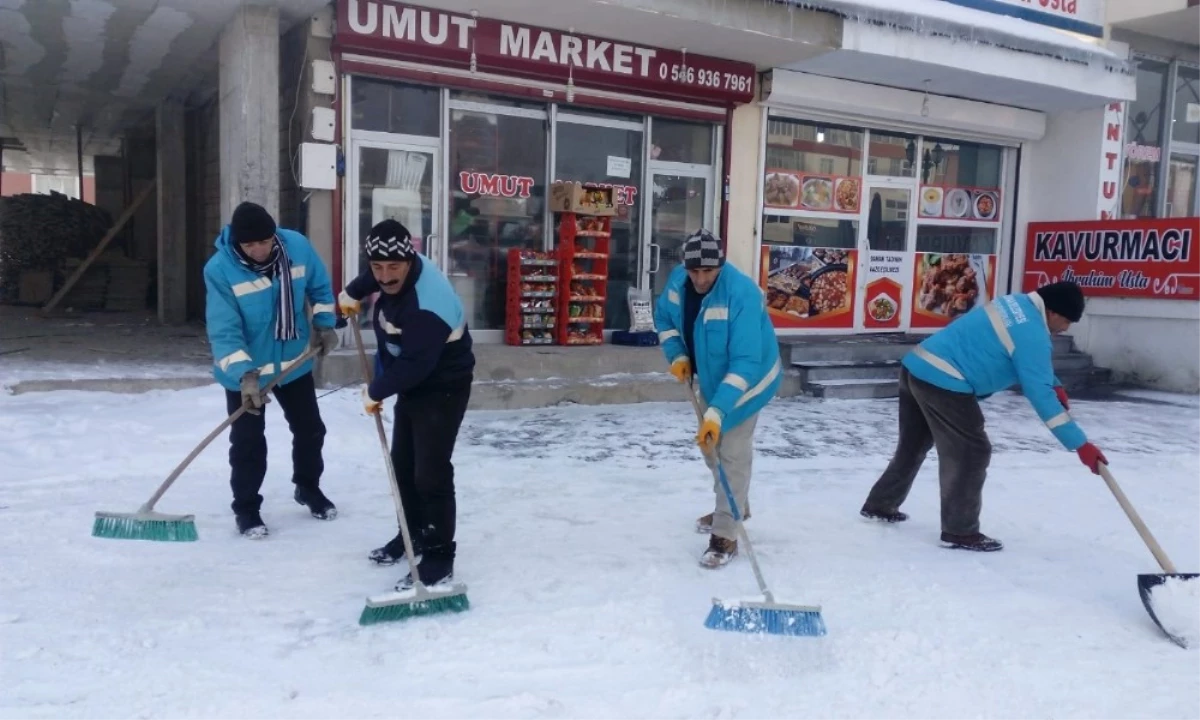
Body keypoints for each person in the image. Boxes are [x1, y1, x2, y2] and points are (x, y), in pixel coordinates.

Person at [860, 280, 1107, 552]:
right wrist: (1080, 445)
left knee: (913, 445)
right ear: (1054, 312)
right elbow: (1040, 395)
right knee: (971, 452)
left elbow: (1024, 358)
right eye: (1068, 321)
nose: (1066, 329)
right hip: (945, 381)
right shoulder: (1034, 333)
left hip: (918, 366)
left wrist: (1054, 383)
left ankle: (880, 505)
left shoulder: (1014, 304)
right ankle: (960, 531)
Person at [337, 219, 475, 590]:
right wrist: (353, 291)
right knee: (403, 466)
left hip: (442, 384)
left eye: (393, 267)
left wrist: (377, 390)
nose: (385, 276)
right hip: (412, 379)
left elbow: (417, 364)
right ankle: (412, 533)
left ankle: (440, 555)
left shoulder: (427, 306)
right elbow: (375, 276)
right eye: (377, 267)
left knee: (430, 471)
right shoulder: (390, 269)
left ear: (410, 260)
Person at [203, 201, 340, 538]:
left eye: (264, 242)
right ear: (237, 244)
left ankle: (308, 488)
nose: (260, 250)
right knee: (248, 442)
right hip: (248, 373)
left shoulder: (297, 247)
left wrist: (324, 324)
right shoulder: (220, 270)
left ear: (274, 235)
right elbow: (224, 329)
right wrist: (244, 375)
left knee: (311, 430)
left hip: (292, 362)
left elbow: (320, 288)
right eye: (250, 245)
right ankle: (247, 510)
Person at [653, 229, 782, 568]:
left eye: (708, 271)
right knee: (710, 448)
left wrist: (718, 412)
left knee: (732, 454)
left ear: (720, 266)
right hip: (709, 379)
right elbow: (663, 317)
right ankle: (735, 505)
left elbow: (746, 362)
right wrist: (677, 354)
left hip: (747, 381)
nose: (700, 278)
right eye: (694, 271)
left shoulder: (741, 294)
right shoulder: (679, 283)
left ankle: (725, 534)